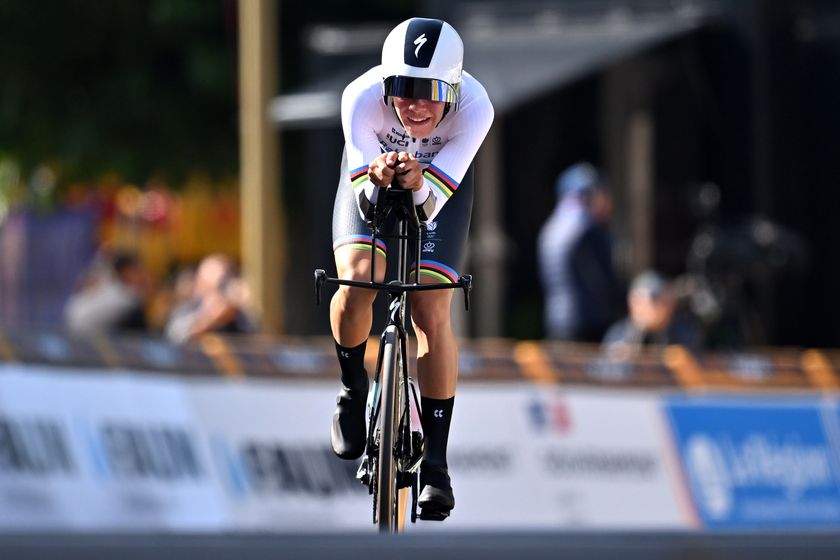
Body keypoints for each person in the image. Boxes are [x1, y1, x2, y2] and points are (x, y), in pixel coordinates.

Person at [329, 17, 493, 520]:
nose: (416, 105)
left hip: (440, 184)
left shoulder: (475, 107)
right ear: (385, 84)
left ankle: (437, 464)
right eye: (402, 90)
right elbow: (364, 196)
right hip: (371, 173)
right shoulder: (360, 99)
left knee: (430, 309)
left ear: (456, 88)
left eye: (431, 92)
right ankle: (354, 390)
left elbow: (427, 208)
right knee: (360, 277)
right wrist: (376, 180)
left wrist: (419, 180)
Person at [537, 162, 622, 342]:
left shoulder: (551, 228)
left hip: (556, 321)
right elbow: (604, 281)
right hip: (588, 325)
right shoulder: (587, 229)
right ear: (590, 196)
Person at [601, 270, 700, 359]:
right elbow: (605, 372)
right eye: (654, 300)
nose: (664, 306)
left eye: (666, 301)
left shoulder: (683, 333)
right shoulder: (619, 335)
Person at [164, 254, 254, 344]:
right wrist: (210, 319)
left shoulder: (240, 315)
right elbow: (175, 339)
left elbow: (256, 342)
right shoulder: (187, 310)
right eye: (218, 285)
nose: (221, 291)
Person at [65, 250, 149, 336]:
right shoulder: (125, 294)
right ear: (125, 271)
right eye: (135, 269)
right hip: (83, 333)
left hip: (71, 322)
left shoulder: (104, 282)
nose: (140, 273)